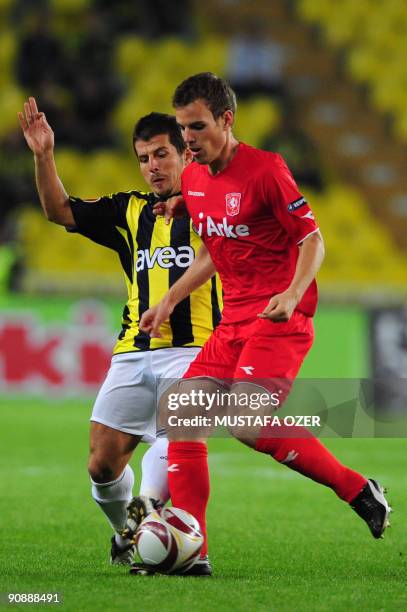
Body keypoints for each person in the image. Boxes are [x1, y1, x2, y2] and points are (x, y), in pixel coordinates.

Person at [138, 72, 392, 574]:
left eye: (197, 127)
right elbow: (216, 247)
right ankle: (194, 552)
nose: (187, 139)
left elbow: (312, 240)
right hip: (233, 323)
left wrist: (292, 292)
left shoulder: (267, 170)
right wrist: (169, 299)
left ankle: (359, 489)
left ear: (226, 120)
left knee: (246, 422)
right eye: (183, 129)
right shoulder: (192, 175)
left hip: (281, 318)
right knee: (182, 418)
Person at [18, 98, 222, 575]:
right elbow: (58, 211)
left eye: (162, 155)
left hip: (194, 350)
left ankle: (155, 527)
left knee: (176, 444)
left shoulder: (213, 207)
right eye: (144, 158)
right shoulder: (128, 211)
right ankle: (128, 533)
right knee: (102, 467)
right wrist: (44, 154)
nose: (152, 167)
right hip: (133, 352)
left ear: (185, 155)